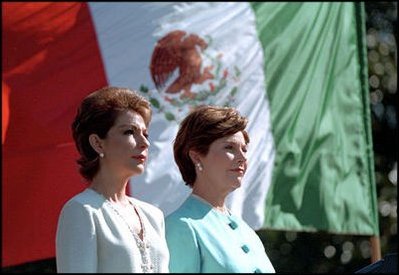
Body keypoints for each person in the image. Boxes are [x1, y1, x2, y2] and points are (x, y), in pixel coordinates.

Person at [56, 86, 169, 273]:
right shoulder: (82, 211)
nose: (145, 143)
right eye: (129, 132)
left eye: (145, 134)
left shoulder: (153, 216)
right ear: (98, 143)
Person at [165, 105, 275, 273]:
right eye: (229, 147)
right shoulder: (180, 227)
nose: (243, 157)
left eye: (244, 149)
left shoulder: (247, 232)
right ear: (196, 156)